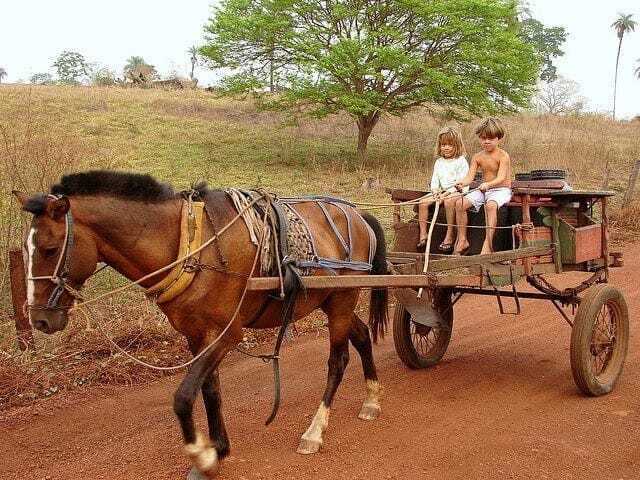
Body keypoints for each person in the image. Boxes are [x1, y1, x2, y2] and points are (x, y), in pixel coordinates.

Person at [453, 118, 512, 256]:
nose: (486, 141)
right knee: (459, 204)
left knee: (490, 206)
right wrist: (462, 183)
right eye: (483, 138)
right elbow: (469, 177)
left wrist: (488, 184)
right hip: (484, 189)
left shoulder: (503, 155)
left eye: (490, 138)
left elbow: (501, 177)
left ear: (499, 138)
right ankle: (462, 239)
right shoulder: (477, 157)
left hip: (501, 190)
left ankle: (488, 243)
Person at [417, 126, 469, 252]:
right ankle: (423, 235)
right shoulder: (439, 162)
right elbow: (435, 180)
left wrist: (446, 193)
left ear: (457, 145)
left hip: (457, 191)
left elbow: (461, 182)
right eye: (443, 144)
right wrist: (435, 191)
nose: (446, 147)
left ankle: (450, 234)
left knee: (448, 201)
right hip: (441, 191)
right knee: (422, 202)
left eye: (450, 145)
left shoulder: (461, 161)